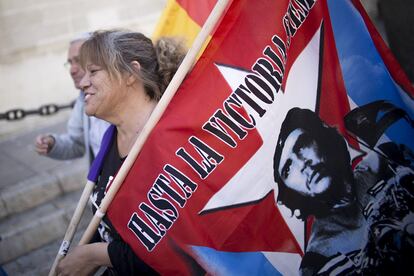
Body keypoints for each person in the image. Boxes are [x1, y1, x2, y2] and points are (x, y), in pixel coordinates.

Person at [56, 30, 186, 275]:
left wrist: (96, 255)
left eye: (93, 71)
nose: (83, 82)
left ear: (130, 73)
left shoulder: (172, 143)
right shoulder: (111, 137)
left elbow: (184, 253)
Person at [273, 107, 414, 275]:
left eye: (301, 145)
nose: (302, 164)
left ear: (321, 138)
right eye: (288, 169)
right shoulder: (317, 261)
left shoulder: (384, 160)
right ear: (289, 190)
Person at [34, 34, 110, 163]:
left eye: (78, 60)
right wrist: (53, 144)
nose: (72, 70)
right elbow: (77, 144)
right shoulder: (83, 98)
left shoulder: (115, 97)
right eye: (70, 63)